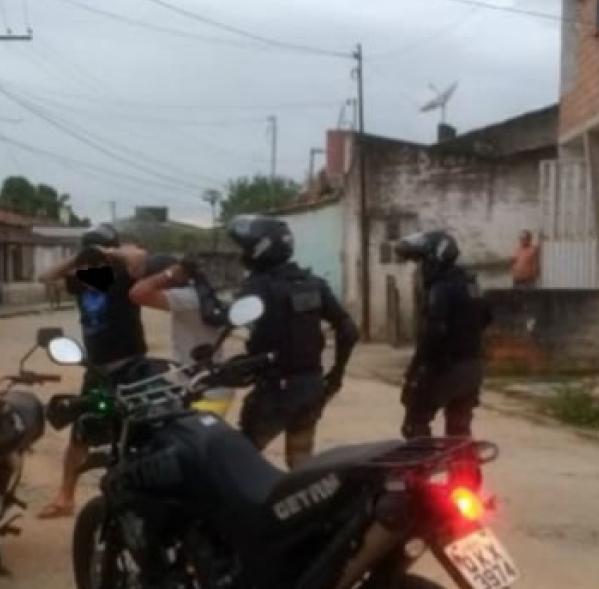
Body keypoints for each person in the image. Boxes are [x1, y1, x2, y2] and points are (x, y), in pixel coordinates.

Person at [227, 215, 358, 469]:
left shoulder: (257, 287)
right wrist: (336, 375)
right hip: (311, 385)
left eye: (244, 248)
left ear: (259, 249)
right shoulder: (313, 283)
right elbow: (349, 331)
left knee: (242, 460)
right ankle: (306, 506)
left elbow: (221, 319)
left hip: (275, 391)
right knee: (301, 460)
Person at [36, 224, 148, 519]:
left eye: (98, 257)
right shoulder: (85, 280)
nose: (94, 263)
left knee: (134, 434)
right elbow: (45, 277)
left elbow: (139, 257)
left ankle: (137, 497)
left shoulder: (124, 279)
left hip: (130, 368)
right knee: (80, 435)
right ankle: (65, 497)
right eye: (90, 257)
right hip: (97, 371)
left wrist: (109, 252)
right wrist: (77, 260)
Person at [395, 230, 493, 439]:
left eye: (422, 262)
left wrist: (414, 369)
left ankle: (420, 470)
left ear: (435, 259)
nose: (420, 269)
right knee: (459, 430)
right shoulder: (471, 284)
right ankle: (468, 469)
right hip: (472, 368)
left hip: (444, 368)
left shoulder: (440, 288)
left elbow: (433, 333)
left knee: (416, 422)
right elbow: (486, 318)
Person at [128, 253, 235, 417]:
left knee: (195, 438)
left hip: (205, 390)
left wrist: (170, 273)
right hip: (207, 384)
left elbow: (138, 293)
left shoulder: (188, 298)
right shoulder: (203, 296)